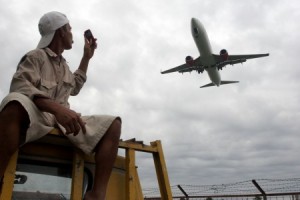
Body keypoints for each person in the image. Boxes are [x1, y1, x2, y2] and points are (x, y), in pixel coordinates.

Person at [0, 11, 121, 200]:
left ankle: (97, 194)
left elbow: (75, 86)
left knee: (113, 125)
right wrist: (57, 108)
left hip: (63, 122)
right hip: (39, 115)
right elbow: (20, 86)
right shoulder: (35, 56)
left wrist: (86, 57)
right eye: (70, 29)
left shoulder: (64, 66)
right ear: (61, 31)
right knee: (13, 103)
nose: (72, 34)